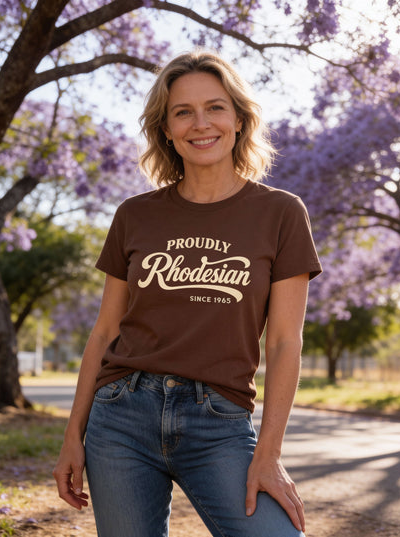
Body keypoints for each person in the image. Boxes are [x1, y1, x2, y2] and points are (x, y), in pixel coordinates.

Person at [53, 50, 321, 537]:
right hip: (120, 418)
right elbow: (106, 331)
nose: (202, 123)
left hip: (218, 421)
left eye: (215, 107)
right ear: (167, 129)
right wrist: (73, 436)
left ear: (239, 120)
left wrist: (269, 456)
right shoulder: (135, 215)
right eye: (183, 112)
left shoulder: (281, 213)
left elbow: (284, 342)